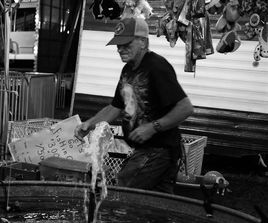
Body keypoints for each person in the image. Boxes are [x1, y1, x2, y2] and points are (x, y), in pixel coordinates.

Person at [75, 17, 194, 194]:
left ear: (143, 42)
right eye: (118, 45)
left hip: (159, 150)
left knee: (123, 191)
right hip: (145, 150)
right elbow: (115, 107)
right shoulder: (128, 70)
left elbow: (185, 108)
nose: (120, 49)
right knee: (157, 203)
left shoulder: (156, 67)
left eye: (126, 44)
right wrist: (89, 124)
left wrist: (152, 127)